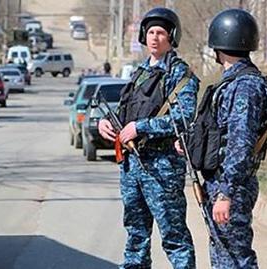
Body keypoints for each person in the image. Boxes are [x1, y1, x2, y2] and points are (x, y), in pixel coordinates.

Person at [98, 7, 199, 268]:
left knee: (174, 237)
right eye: (151, 32)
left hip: (162, 168)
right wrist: (107, 124)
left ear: (171, 37)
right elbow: (124, 111)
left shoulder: (180, 74)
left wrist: (140, 127)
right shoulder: (140, 72)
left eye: (161, 33)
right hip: (132, 166)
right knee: (136, 234)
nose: (154, 38)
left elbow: (184, 117)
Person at [179, 9, 267, 268]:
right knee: (225, 254)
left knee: (236, 257)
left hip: (230, 184)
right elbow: (219, 134)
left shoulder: (244, 87)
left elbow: (239, 144)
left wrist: (225, 193)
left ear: (218, 45)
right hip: (223, 182)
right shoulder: (234, 82)